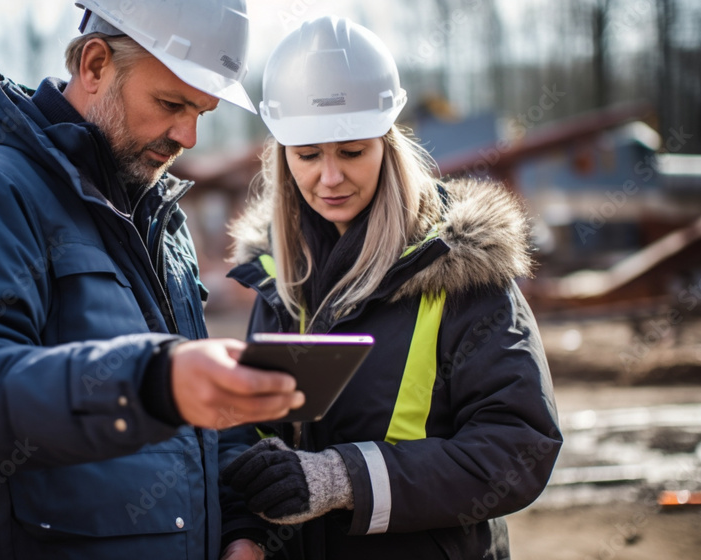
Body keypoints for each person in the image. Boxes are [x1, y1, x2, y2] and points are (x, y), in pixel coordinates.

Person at [0, 1, 305, 558]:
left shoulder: (158, 220)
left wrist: (238, 528)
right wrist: (151, 383)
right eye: (171, 104)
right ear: (94, 65)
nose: (188, 136)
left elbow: (197, 423)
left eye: (201, 112)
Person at [219, 16, 563, 560]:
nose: (330, 177)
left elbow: (519, 447)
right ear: (282, 154)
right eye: (307, 155)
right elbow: (248, 429)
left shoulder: (460, 269)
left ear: (387, 143)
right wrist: (244, 530)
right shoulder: (278, 274)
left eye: (352, 151)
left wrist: (344, 480)